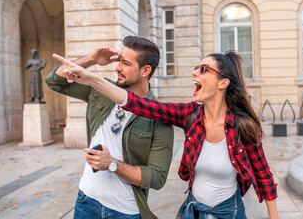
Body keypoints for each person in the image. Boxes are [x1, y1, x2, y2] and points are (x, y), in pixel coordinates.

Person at [54, 50, 279, 219]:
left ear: (223, 82)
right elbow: (137, 104)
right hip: (193, 210)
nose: (194, 72)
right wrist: (91, 78)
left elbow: (264, 177)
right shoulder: (190, 115)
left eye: (203, 69)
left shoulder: (244, 127)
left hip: (229, 212)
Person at [45, 36, 174, 219]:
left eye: (126, 63)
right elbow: (54, 81)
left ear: (145, 70)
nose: (117, 67)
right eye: (119, 60)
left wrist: (112, 164)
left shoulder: (158, 116)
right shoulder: (101, 90)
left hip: (125, 211)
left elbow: (157, 177)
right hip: (86, 201)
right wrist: (90, 59)